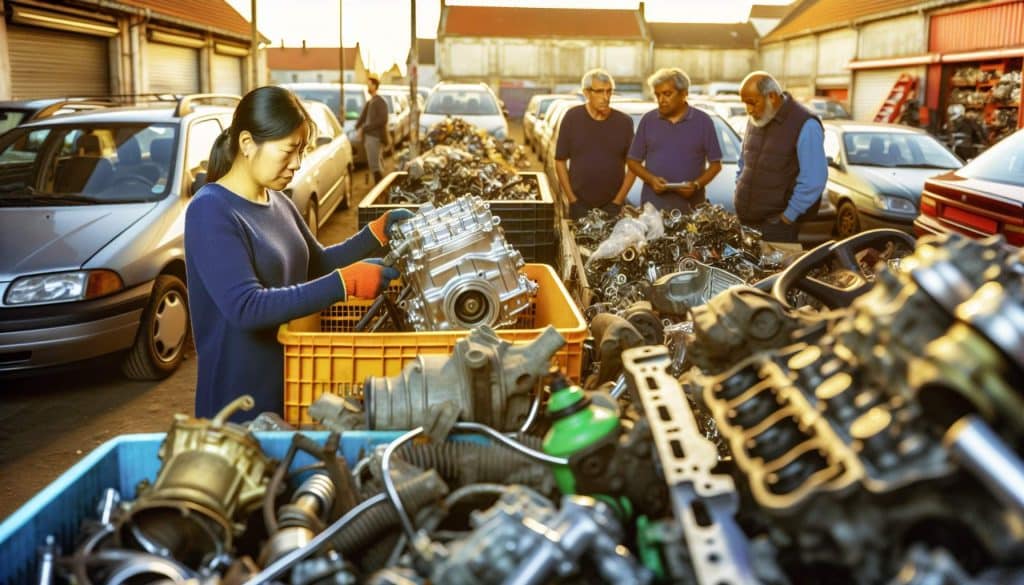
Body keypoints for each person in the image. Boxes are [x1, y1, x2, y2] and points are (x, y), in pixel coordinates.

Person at [184, 85, 413, 421]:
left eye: (301, 152)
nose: (296, 164)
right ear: (247, 144)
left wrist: (375, 233)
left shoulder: (278, 200)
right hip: (239, 406)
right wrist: (344, 284)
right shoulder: (210, 211)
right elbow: (246, 307)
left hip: (291, 387)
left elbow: (316, 265)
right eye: (288, 151)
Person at [734, 71, 827, 247]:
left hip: (776, 226)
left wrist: (788, 217)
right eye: (745, 103)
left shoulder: (805, 125)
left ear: (772, 97)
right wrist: (738, 189)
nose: (749, 110)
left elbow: (814, 180)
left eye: (752, 103)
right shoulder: (755, 119)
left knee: (773, 274)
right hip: (746, 222)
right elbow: (744, 163)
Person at [627, 68, 722, 212]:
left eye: (667, 94)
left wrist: (696, 185)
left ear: (684, 94)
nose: (661, 100)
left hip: (691, 210)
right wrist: (651, 180)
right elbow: (633, 161)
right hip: (653, 209)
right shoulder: (648, 120)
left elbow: (716, 164)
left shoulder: (703, 121)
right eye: (657, 95)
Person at [554, 68, 635, 219]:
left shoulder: (624, 122)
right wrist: (573, 200)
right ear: (586, 93)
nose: (606, 97)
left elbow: (634, 166)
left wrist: (617, 202)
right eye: (599, 91)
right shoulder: (572, 118)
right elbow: (559, 161)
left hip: (612, 207)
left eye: (609, 91)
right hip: (579, 205)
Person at [356, 73, 389, 185]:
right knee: (375, 165)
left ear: (375, 86)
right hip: (370, 137)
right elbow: (362, 117)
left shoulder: (380, 101)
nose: (367, 87)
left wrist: (364, 128)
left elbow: (382, 120)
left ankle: (379, 191)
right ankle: (381, 190)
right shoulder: (371, 101)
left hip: (375, 137)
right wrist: (358, 127)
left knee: (375, 166)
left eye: (369, 85)